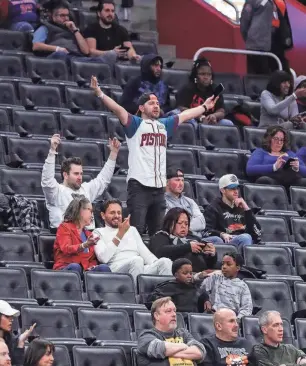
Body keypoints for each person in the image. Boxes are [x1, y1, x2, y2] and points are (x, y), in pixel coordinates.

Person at [90, 75, 217, 236]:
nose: (156, 106)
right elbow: (118, 109)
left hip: (158, 189)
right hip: (139, 187)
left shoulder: (164, 125)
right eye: (151, 103)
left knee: (159, 233)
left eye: (157, 103)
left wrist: (205, 107)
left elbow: (186, 115)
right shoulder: (135, 124)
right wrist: (99, 93)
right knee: (136, 232)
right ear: (142, 108)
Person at [41, 134, 120, 231]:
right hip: (66, 237)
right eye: (76, 174)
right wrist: (52, 151)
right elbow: (47, 181)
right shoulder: (56, 191)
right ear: (65, 175)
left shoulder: (86, 189)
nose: (80, 177)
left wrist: (114, 153)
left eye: (81, 174)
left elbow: (103, 180)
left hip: (88, 235)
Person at [93, 199, 172, 282]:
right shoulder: (98, 232)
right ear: (103, 215)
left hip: (139, 267)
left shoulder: (131, 230)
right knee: (137, 260)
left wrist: (157, 263)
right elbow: (103, 258)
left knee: (165, 262)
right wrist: (120, 234)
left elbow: (146, 254)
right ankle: (135, 294)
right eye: (112, 213)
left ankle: (166, 293)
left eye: (119, 213)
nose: (117, 216)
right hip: (116, 270)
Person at [32, 1, 116, 66]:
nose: (66, 18)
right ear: (52, 16)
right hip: (55, 57)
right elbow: (36, 45)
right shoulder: (45, 28)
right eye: (62, 15)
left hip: (74, 57)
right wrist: (57, 48)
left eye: (67, 15)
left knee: (80, 59)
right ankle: (99, 62)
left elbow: (86, 51)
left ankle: (97, 63)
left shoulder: (71, 29)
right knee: (60, 55)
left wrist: (75, 30)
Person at [137, 297, 206, 366]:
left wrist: (169, 353)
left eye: (174, 311)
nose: (174, 314)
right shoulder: (146, 336)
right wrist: (184, 346)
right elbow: (160, 349)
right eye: (168, 311)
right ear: (156, 316)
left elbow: (199, 352)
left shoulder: (183, 334)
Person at [53, 196, 111, 274]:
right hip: (65, 268)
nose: (92, 215)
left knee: (104, 268)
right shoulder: (64, 227)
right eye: (90, 210)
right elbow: (66, 249)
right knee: (75, 267)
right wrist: (84, 245)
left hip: (85, 271)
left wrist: (92, 266)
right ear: (80, 210)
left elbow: (92, 259)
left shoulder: (89, 234)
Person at [204, 174, 261, 251]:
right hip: (225, 241)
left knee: (246, 237)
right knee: (245, 238)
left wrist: (247, 209)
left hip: (242, 239)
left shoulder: (243, 206)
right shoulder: (213, 208)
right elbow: (206, 231)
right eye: (232, 189)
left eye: (237, 188)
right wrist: (221, 234)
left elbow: (257, 232)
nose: (236, 191)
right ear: (223, 190)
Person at [165, 167, 223, 244]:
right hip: (177, 240)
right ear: (167, 182)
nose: (181, 183)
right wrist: (190, 225)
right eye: (177, 180)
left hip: (197, 238)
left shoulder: (190, 201)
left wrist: (182, 225)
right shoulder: (162, 202)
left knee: (216, 240)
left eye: (182, 180)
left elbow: (201, 222)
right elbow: (171, 225)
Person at [149, 207, 218, 272]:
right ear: (170, 223)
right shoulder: (161, 236)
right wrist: (188, 247)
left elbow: (209, 264)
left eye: (186, 224)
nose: (183, 226)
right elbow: (160, 252)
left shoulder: (194, 238)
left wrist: (212, 255)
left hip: (200, 274)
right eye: (180, 223)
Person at [176, 58, 234, 129]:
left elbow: (221, 111)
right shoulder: (187, 89)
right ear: (195, 76)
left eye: (209, 74)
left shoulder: (216, 89)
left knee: (228, 123)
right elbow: (181, 109)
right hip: (193, 120)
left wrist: (214, 116)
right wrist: (199, 117)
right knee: (191, 122)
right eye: (202, 74)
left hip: (211, 121)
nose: (206, 77)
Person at [240, 0, 293, 74]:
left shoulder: (279, 2)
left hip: (277, 43)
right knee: (261, 76)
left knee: (283, 74)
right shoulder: (254, 1)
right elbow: (244, 22)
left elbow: (284, 20)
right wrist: (252, 39)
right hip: (258, 45)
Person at [196, 252, 253, 319]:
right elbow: (199, 288)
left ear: (237, 268)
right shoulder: (215, 278)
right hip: (212, 316)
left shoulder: (242, 286)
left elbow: (247, 309)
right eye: (223, 264)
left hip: (231, 319)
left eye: (228, 264)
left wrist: (236, 320)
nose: (224, 267)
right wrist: (206, 299)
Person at [0, 300, 36, 366]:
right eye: (7, 316)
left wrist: (20, 342)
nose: (11, 319)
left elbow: (17, 364)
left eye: (11, 316)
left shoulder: (11, 340)